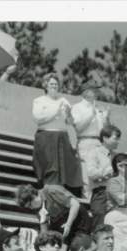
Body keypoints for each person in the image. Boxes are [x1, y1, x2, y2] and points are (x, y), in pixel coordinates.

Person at [31, 72, 83, 194]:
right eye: (51, 84)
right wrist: (57, 109)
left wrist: (69, 113)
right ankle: (49, 193)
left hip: (62, 137)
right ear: (45, 85)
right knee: (50, 168)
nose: (54, 86)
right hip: (46, 137)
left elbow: (70, 122)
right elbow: (38, 118)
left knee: (64, 169)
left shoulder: (63, 100)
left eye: (56, 84)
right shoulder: (39, 100)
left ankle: (60, 194)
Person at [69, 79, 112, 213]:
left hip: (99, 144)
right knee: (87, 179)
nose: (97, 92)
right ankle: (88, 211)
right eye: (94, 90)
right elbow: (78, 127)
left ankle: (99, 210)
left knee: (103, 179)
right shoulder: (77, 107)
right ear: (86, 92)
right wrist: (91, 114)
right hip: (86, 142)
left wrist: (106, 119)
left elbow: (105, 131)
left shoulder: (98, 109)